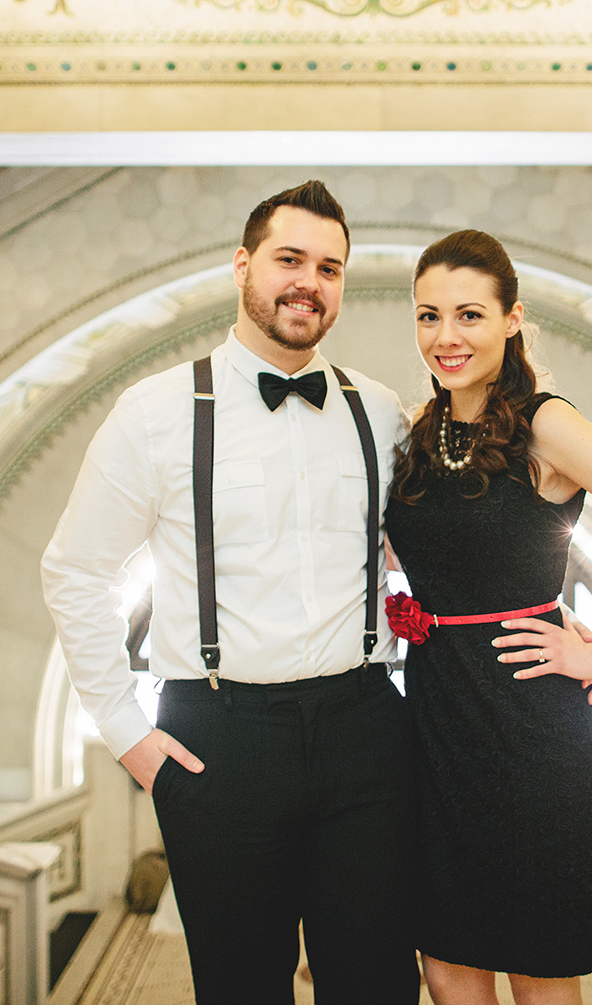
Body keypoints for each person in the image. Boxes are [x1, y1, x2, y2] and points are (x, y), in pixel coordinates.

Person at [41, 181, 422, 1005]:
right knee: (241, 987)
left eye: (330, 267)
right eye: (290, 259)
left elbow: (442, 555)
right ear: (244, 266)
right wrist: (125, 731)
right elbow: (74, 569)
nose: (308, 283)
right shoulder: (153, 413)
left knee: (379, 982)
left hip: (366, 727)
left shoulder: (381, 411)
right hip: (220, 736)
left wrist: (558, 623)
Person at [384, 230, 592, 1005]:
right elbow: (433, 558)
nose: (446, 336)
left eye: (469, 314)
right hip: (437, 723)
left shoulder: (548, 424)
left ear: (512, 318)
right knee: (445, 962)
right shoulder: (417, 431)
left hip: (534, 733)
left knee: (538, 971)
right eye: (428, 316)